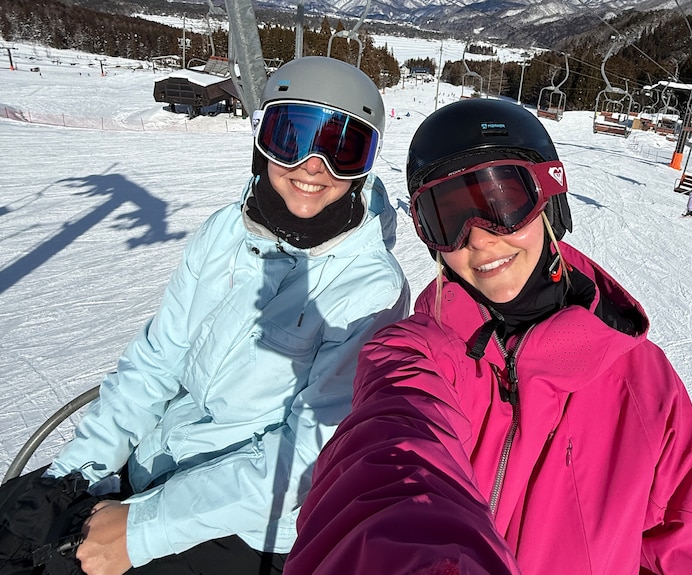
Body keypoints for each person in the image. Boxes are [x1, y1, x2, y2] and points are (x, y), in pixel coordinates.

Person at [280, 98, 692, 575]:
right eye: (448, 218)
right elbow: (390, 459)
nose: (479, 238)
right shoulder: (411, 351)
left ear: (552, 197)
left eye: (501, 203)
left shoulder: (644, 384)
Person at [0, 56, 409, 575]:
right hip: (158, 462)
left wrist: (142, 527)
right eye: (293, 136)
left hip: (249, 524)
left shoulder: (370, 288)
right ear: (263, 139)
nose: (313, 166)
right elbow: (157, 360)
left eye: (342, 150)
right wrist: (75, 476)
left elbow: (310, 456)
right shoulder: (227, 232)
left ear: (365, 164)